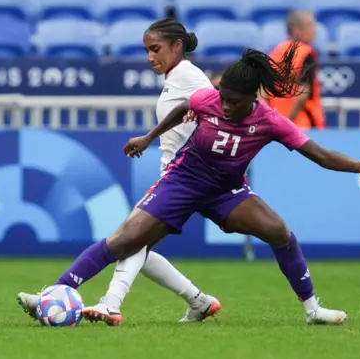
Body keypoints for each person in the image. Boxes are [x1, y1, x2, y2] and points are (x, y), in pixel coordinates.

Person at [18, 41, 360, 325]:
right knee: (124, 241)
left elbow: (321, 155)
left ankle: (313, 310)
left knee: (280, 232)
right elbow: (185, 108)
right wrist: (149, 138)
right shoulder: (208, 99)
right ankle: (55, 292)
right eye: (223, 98)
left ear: (253, 97)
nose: (224, 105)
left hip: (227, 192)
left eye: (233, 101)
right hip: (182, 182)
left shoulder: (270, 122)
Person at [18, 18, 221, 326]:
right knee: (137, 245)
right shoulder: (177, 76)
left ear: (177, 46)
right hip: (176, 177)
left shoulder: (189, 76)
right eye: (147, 51)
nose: (151, 57)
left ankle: (100, 301)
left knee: (127, 239)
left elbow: (220, 111)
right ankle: (199, 301)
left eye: (156, 49)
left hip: (187, 179)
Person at [262, 10, 325, 130]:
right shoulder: (306, 53)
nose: (314, 30)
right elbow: (302, 93)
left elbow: (262, 91)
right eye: (310, 25)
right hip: (303, 125)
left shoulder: (276, 52)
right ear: (296, 30)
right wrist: (288, 122)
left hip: (275, 125)